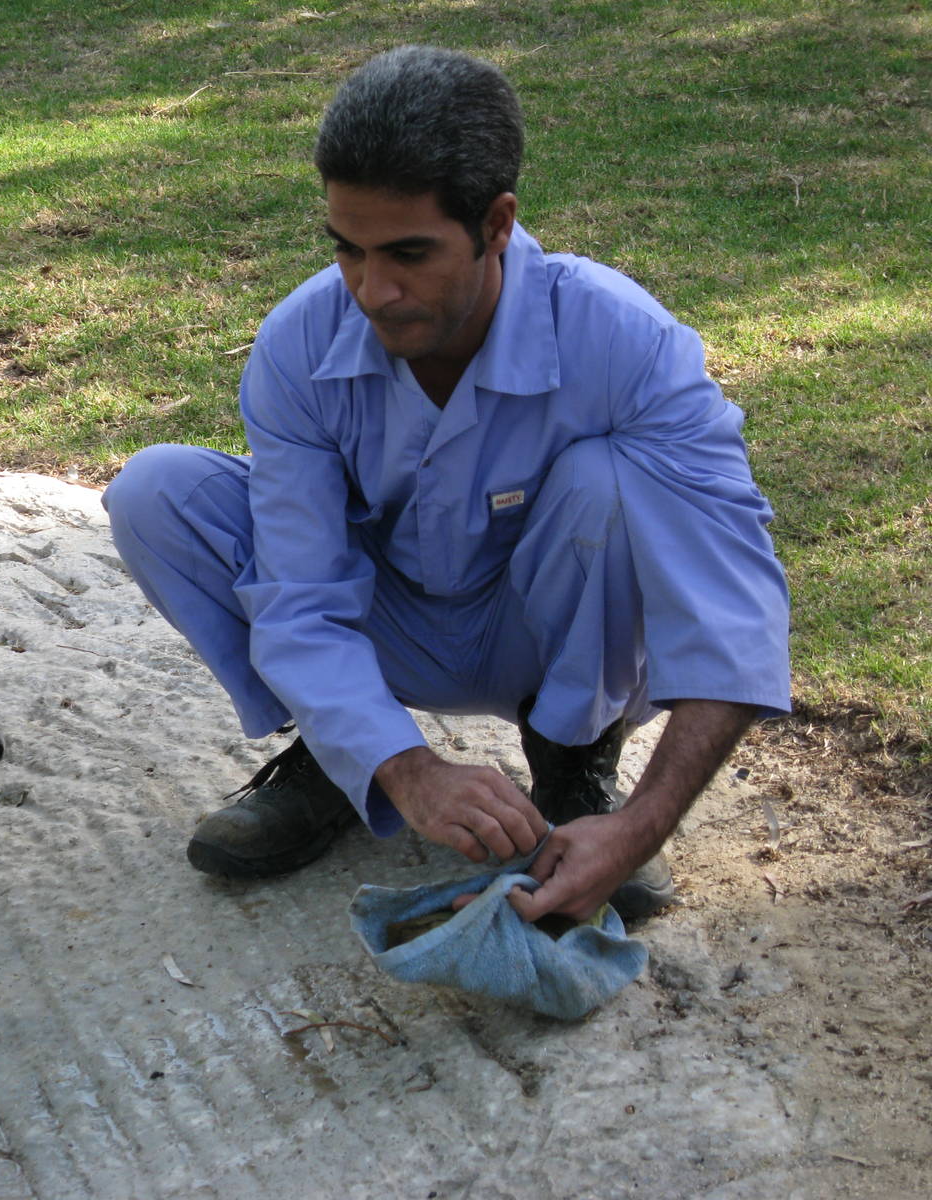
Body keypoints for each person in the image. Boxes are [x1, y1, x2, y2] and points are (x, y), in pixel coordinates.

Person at [101, 45, 791, 923]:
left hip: (545, 635)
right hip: (389, 621)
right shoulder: (299, 343)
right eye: (347, 249)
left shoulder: (625, 340)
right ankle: (344, 751)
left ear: (497, 224)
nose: (372, 290)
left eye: (409, 253)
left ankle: (575, 764)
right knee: (155, 492)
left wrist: (645, 829)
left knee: (607, 480)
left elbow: (737, 604)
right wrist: (408, 768)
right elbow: (302, 592)